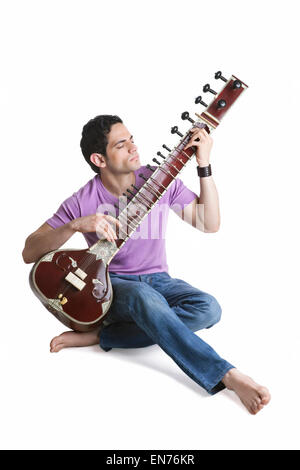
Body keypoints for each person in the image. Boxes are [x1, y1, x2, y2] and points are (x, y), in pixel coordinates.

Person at [22, 115, 271, 415]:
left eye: (132, 139)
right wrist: (76, 225)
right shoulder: (83, 200)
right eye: (121, 144)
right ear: (99, 159)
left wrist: (203, 165)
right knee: (145, 299)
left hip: (160, 280)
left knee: (209, 308)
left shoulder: (158, 180)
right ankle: (226, 375)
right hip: (111, 287)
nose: (133, 148)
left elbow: (210, 223)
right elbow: (29, 251)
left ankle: (104, 336)